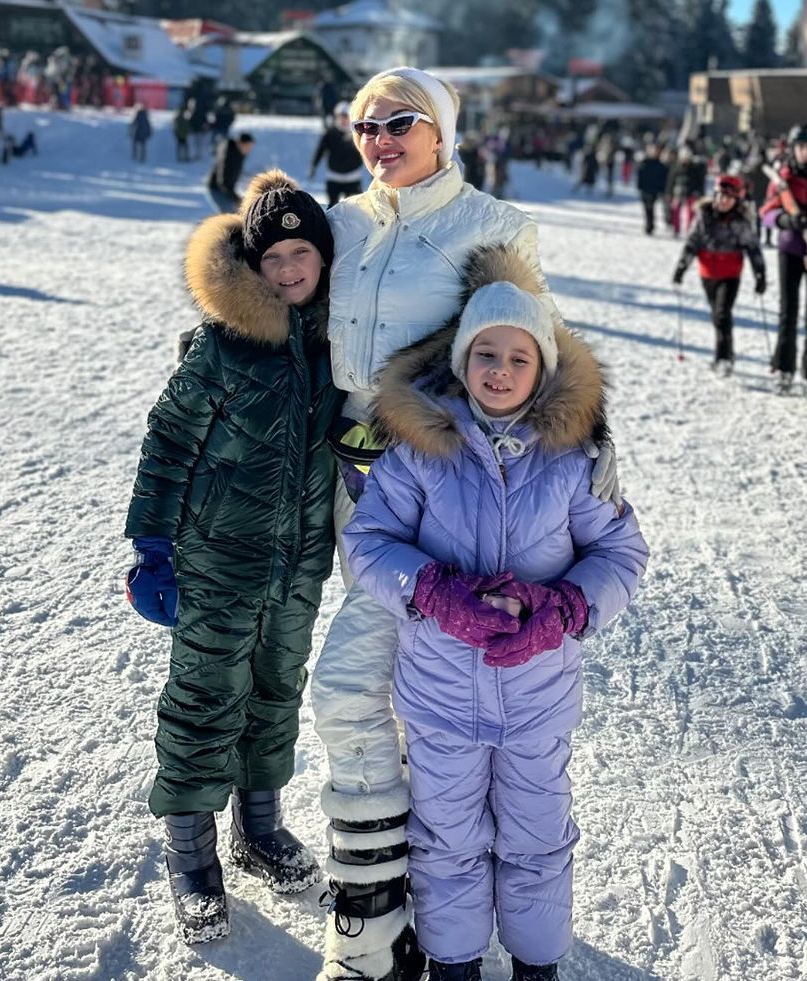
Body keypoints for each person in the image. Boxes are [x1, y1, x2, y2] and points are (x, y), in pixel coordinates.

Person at [311, 67, 620, 981]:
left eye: (400, 121)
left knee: (354, 688)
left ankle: (374, 925)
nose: (380, 138)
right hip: (350, 480)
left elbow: (536, 340)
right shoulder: (343, 224)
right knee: (419, 694)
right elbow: (284, 297)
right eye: (364, 124)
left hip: (443, 473)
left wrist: (593, 433)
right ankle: (430, 900)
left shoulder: (489, 226)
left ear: (442, 130)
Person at [341, 261, 648, 980]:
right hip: (441, 695)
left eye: (518, 357)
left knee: (537, 839)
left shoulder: (573, 458)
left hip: (537, 697)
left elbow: (621, 552)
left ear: (542, 369)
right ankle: (453, 962)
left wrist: (565, 608)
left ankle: (537, 963)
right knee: (446, 838)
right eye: (486, 353)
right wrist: (433, 590)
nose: (500, 371)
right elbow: (368, 541)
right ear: (461, 360)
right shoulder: (421, 450)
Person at [124, 170, 341, 944]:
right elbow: (168, 439)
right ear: (253, 265)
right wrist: (152, 545)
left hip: (299, 562)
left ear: (323, 257)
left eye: (301, 253)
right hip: (217, 557)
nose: (287, 268)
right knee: (205, 697)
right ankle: (192, 858)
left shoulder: (336, 342)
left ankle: (260, 831)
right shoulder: (224, 344)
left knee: (275, 693)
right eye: (272, 256)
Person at [673, 176, 765, 376]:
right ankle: (726, 352)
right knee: (717, 315)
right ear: (715, 195)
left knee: (723, 313)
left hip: (730, 273)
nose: (724, 201)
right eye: (721, 196)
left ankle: (723, 358)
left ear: (736, 200)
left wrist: (760, 273)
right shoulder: (704, 215)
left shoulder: (741, 220)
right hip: (708, 273)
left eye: (729, 198)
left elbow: (752, 247)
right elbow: (692, 243)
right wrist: (682, 267)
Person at [760, 127, 807, 393]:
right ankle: (784, 368)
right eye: (801, 147)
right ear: (793, 148)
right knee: (788, 310)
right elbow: (766, 213)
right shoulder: (783, 178)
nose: (805, 152)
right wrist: (785, 220)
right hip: (790, 248)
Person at [310, 102, 366, 207]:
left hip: (353, 178)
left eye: (346, 117)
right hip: (334, 178)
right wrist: (314, 165)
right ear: (336, 117)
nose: (344, 120)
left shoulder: (357, 132)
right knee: (333, 207)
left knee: (355, 208)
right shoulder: (330, 133)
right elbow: (320, 150)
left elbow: (367, 151)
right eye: (341, 116)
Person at [206, 131, 255, 213]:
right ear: (241, 143)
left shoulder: (238, 154)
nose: (249, 150)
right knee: (232, 213)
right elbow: (223, 181)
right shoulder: (229, 154)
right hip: (217, 189)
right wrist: (236, 199)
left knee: (237, 211)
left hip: (225, 189)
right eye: (248, 146)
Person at [635, 142, 669, 235]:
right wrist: (639, 186)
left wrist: (661, 189)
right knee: (646, 208)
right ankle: (649, 224)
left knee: (651, 207)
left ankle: (650, 225)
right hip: (645, 189)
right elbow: (640, 175)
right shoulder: (644, 163)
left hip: (654, 190)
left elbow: (663, 178)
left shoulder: (661, 165)